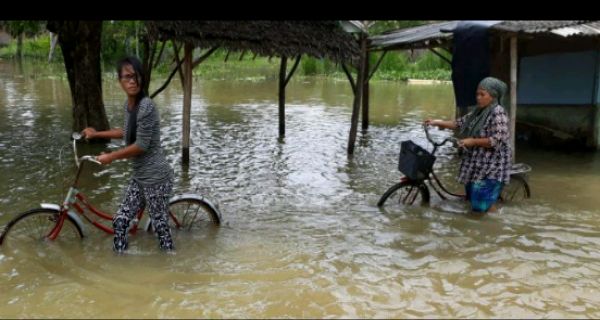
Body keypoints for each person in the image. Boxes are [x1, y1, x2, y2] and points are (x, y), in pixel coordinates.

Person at [82, 56, 175, 252]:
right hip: (140, 177)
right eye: (127, 77)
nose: (132, 81)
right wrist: (97, 134)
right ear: (120, 81)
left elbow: (140, 145)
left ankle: (170, 269)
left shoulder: (146, 106)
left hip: (156, 178)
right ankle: (120, 268)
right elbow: (126, 131)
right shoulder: (129, 105)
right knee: (120, 222)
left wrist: (111, 156)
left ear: (142, 79)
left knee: (161, 230)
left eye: (136, 76)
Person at [424, 76, 512, 213]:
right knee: (472, 198)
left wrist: (473, 141)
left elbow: (497, 140)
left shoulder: (498, 113)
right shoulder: (478, 111)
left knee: (481, 205)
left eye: (482, 94)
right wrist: (437, 122)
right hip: (476, 161)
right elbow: (458, 123)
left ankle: (494, 222)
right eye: (477, 94)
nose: (478, 97)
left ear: (493, 96)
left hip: (491, 164)